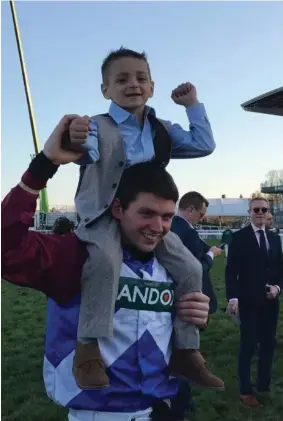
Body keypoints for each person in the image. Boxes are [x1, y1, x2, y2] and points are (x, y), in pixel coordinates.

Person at [2, 116, 211, 421]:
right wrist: (43, 166)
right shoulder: (76, 255)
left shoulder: (170, 261)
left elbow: (174, 316)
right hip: (97, 412)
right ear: (118, 209)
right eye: (147, 213)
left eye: (166, 216)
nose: (158, 227)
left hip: (162, 408)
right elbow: (5, 247)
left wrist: (196, 313)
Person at [62, 47, 221, 390]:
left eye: (140, 78)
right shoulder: (96, 126)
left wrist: (192, 104)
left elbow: (203, 144)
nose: (132, 84)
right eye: (121, 79)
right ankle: (87, 350)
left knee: (191, 268)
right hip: (105, 215)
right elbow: (85, 151)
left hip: (147, 219)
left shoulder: (160, 129)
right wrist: (76, 138)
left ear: (152, 87)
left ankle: (187, 352)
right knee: (104, 261)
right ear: (105, 89)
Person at [225, 197, 283, 407]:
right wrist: (232, 298)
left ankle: (264, 385)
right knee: (248, 345)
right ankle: (245, 390)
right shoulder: (239, 238)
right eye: (256, 209)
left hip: (271, 303)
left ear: (269, 212)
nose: (260, 212)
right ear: (249, 211)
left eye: (264, 209)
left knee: (268, 345)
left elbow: (280, 270)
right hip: (248, 302)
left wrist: (278, 288)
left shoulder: (275, 239)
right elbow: (231, 272)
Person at [170, 191, 222, 420]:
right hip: (187, 299)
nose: (202, 218)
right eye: (201, 214)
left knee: (184, 350)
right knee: (183, 352)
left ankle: (184, 396)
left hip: (184, 299)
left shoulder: (182, 228)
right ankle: (180, 400)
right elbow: (195, 267)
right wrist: (210, 255)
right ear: (190, 209)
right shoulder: (180, 230)